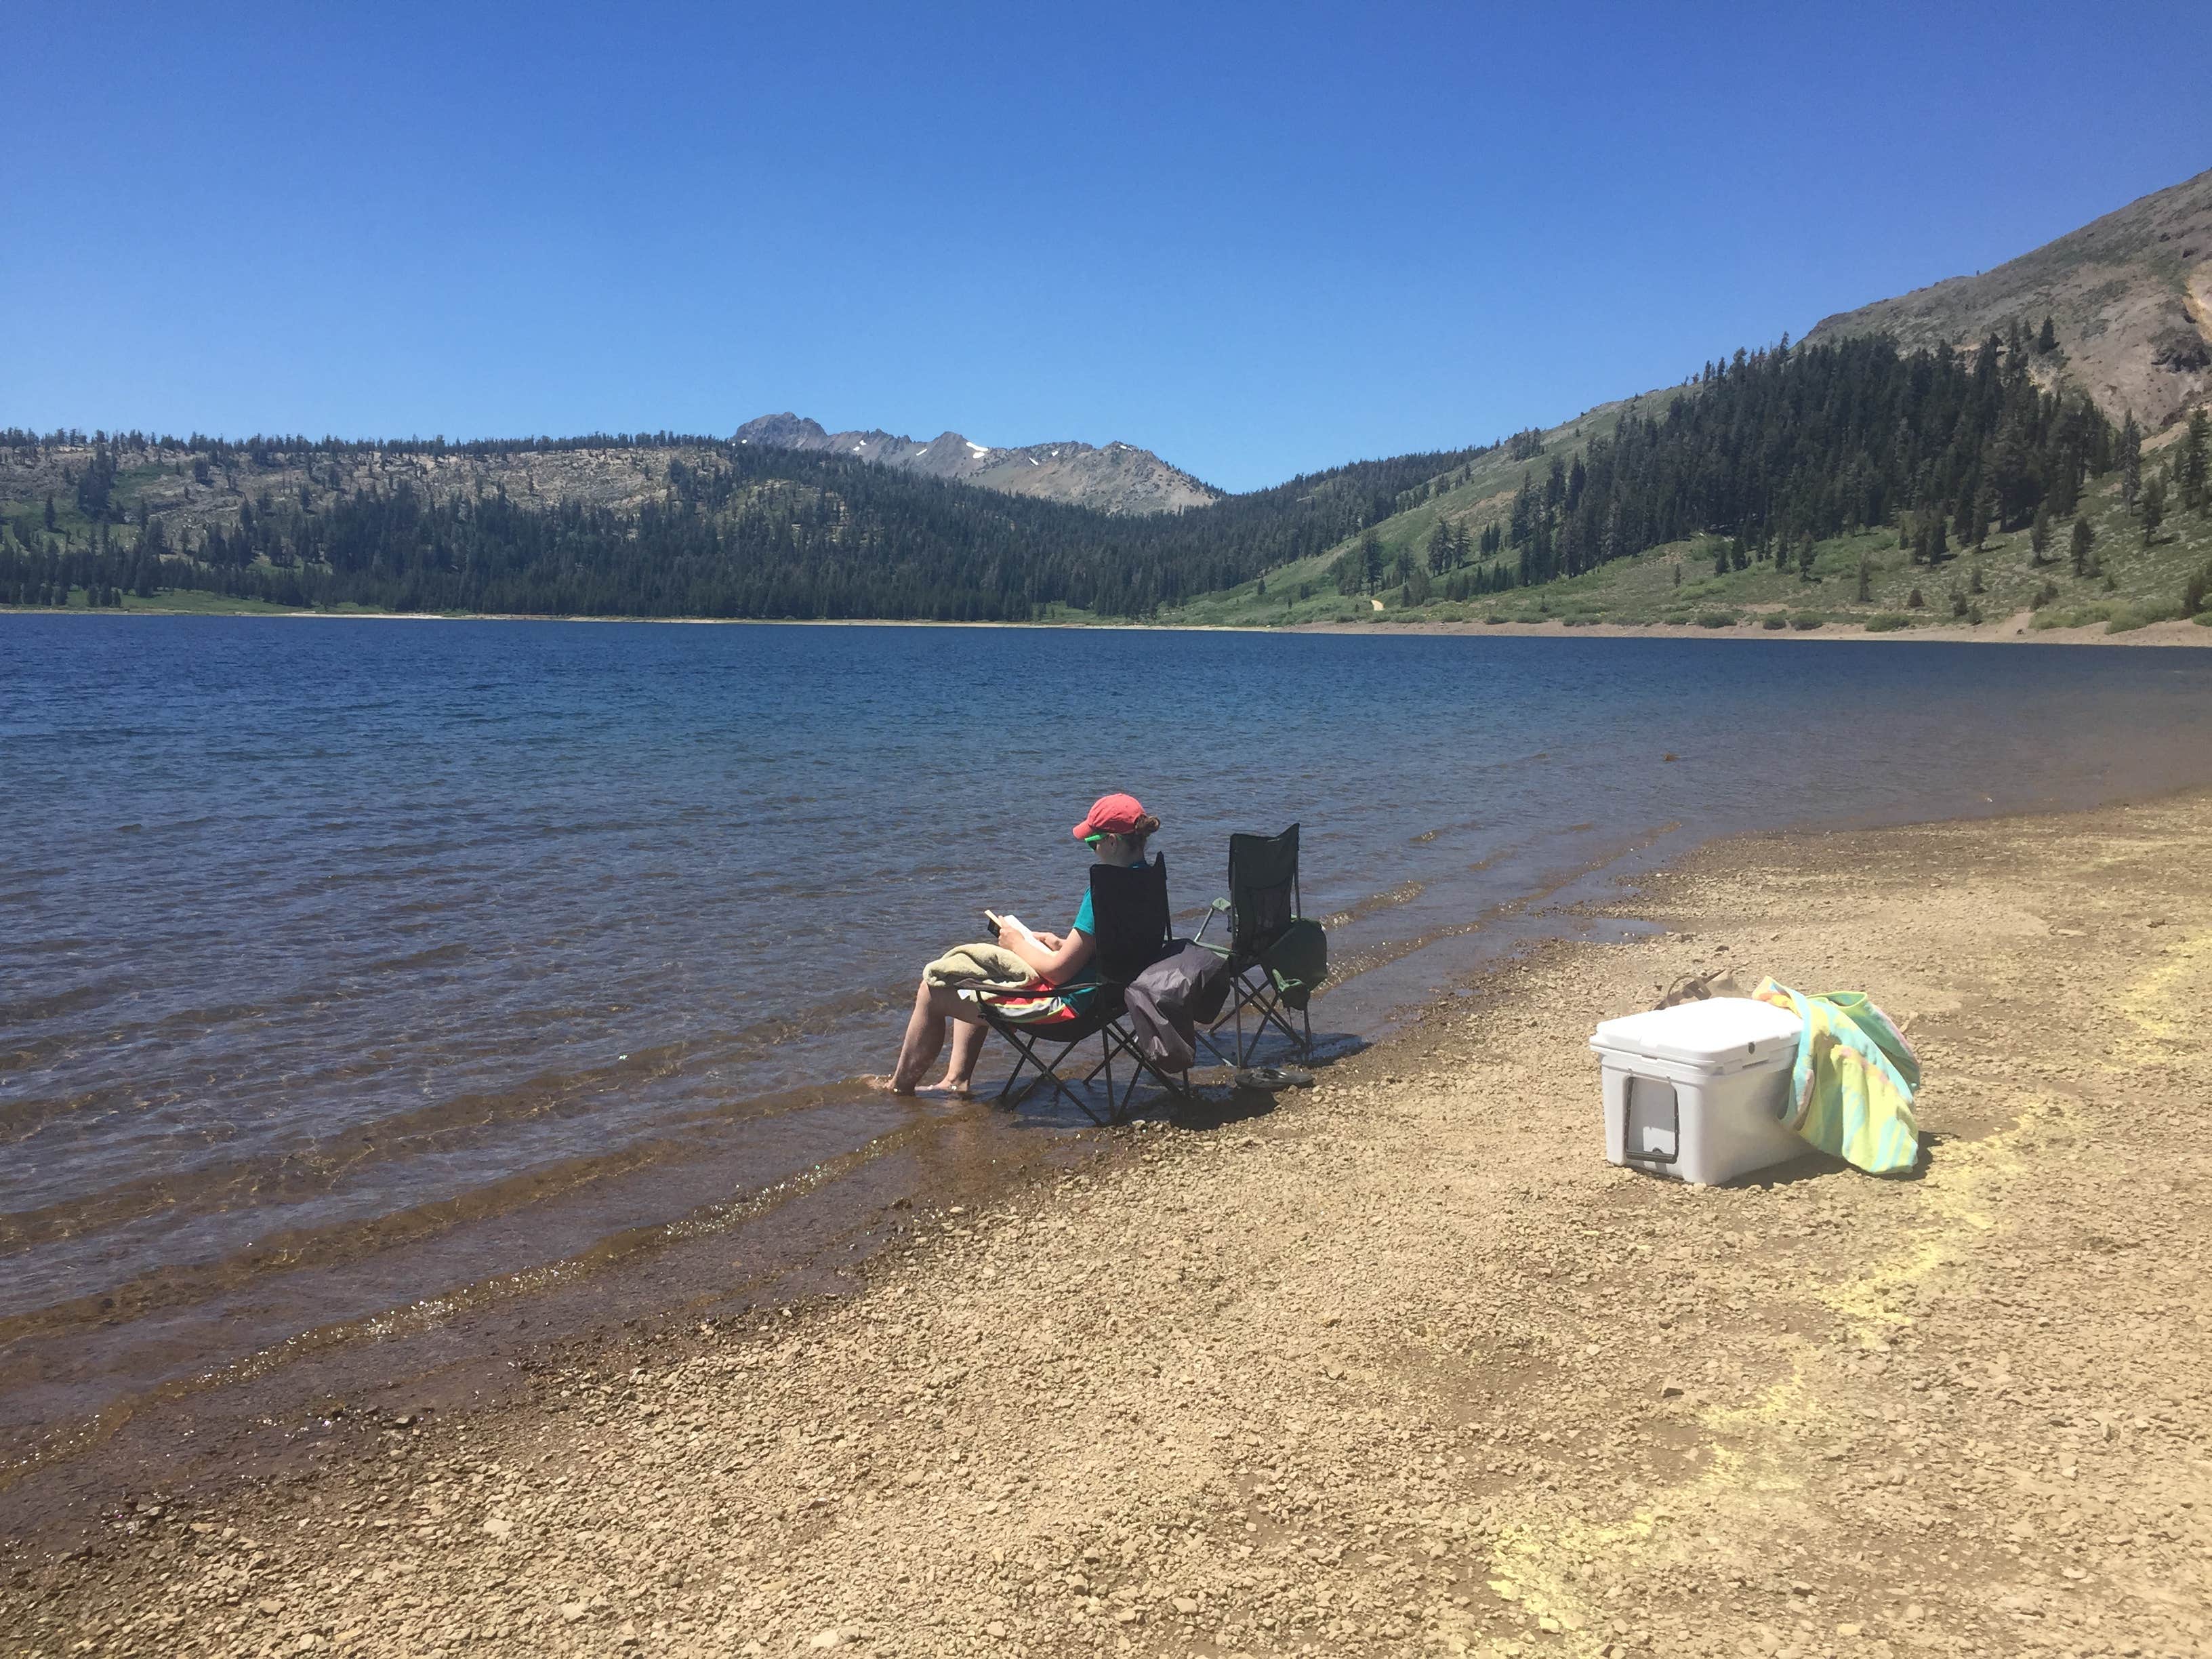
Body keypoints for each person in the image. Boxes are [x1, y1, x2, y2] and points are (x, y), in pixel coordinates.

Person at [880, 793, 1160, 1096]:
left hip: (1069, 1010)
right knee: (974, 978)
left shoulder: (1103, 893)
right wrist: (1060, 943)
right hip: (1112, 998)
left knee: (931, 991)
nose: (1092, 850)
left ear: (1113, 842)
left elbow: (1057, 974)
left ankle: (899, 1090)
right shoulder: (1150, 881)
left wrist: (1016, 943)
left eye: (1093, 842)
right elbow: (1121, 945)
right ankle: (956, 1080)